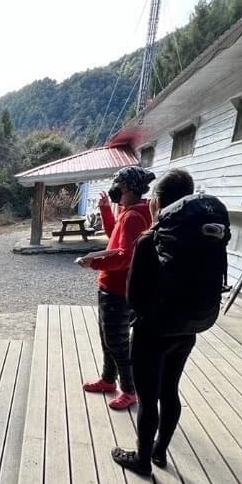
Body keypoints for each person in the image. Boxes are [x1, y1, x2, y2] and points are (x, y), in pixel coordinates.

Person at [111, 168, 227, 476]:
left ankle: (142, 460)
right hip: (188, 328)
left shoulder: (150, 241)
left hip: (153, 332)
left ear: (158, 202)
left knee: (148, 400)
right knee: (170, 391)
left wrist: (144, 315)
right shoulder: (203, 237)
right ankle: (160, 451)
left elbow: (134, 297)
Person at [77, 166, 156, 410]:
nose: (114, 189)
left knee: (117, 342)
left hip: (119, 290)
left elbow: (125, 256)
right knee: (108, 338)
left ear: (130, 188)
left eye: (118, 185)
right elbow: (115, 237)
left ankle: (129, 391)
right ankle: (108, 380)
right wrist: (105, 210)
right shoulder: (131, 212)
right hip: (114, 287)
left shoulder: (134, 216)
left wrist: (94, 263)